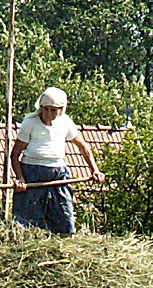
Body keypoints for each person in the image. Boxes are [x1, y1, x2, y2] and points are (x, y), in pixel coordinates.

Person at [10, 87, 105, 235]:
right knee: (28, 221)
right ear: (41, 107)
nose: (49, 114)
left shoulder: (65, 122)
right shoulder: (30, 123)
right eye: (46, 109)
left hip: (58, 174)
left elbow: (83, 147)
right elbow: (15, 154)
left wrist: (95, 170)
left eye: (53, 110)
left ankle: (65, 248)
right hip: (32, 172)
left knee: (63, 214)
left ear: (61, 109)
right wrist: (20, 178)